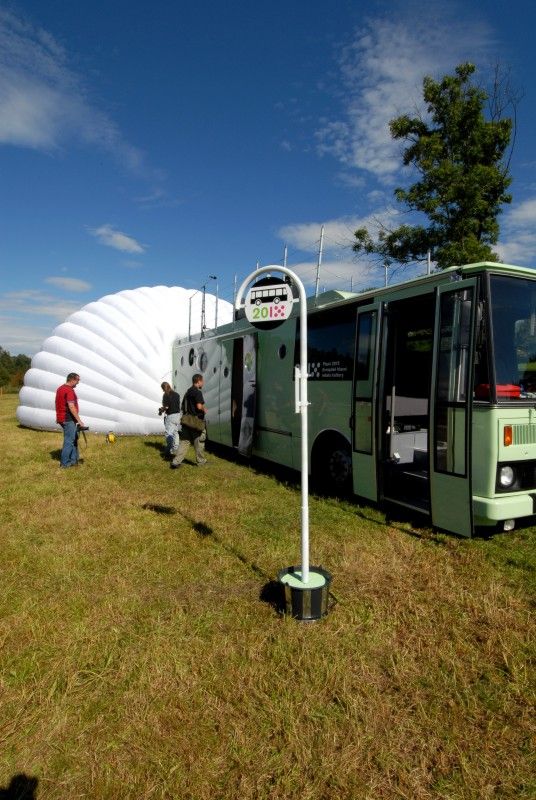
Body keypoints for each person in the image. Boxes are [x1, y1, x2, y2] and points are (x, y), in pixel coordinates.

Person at [171, 373, 207, 468]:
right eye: (202, 381)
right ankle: (201, 461)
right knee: (199, 441)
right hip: (196, 422)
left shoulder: (188, 392)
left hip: (187, 421)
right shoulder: (197, 392)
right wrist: (204, 409)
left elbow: (183, 406)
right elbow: (199, 406)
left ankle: (176, 461)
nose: (203, 383)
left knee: (184, 441)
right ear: (198, 381)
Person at [55, 372, 85, 468]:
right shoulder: (69, 391)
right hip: (68, 419)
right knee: (69, 441)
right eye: (77, 380)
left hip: (62, 418)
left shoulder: (60, 388)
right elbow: (71, 406)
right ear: (72, 379)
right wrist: (79, 420)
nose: (78, 383)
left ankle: (74, 460)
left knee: (73, 439)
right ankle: (65, 464)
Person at [159, 381, 181, 457]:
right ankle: (176, 447)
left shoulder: (166, 395)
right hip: (177, 415)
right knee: (175, 432)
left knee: (169, 434)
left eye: (162, 389)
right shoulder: (177, 394)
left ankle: (168, 451)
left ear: (163, 388)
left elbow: (167, 407)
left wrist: (161, 410)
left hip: (170, 416)